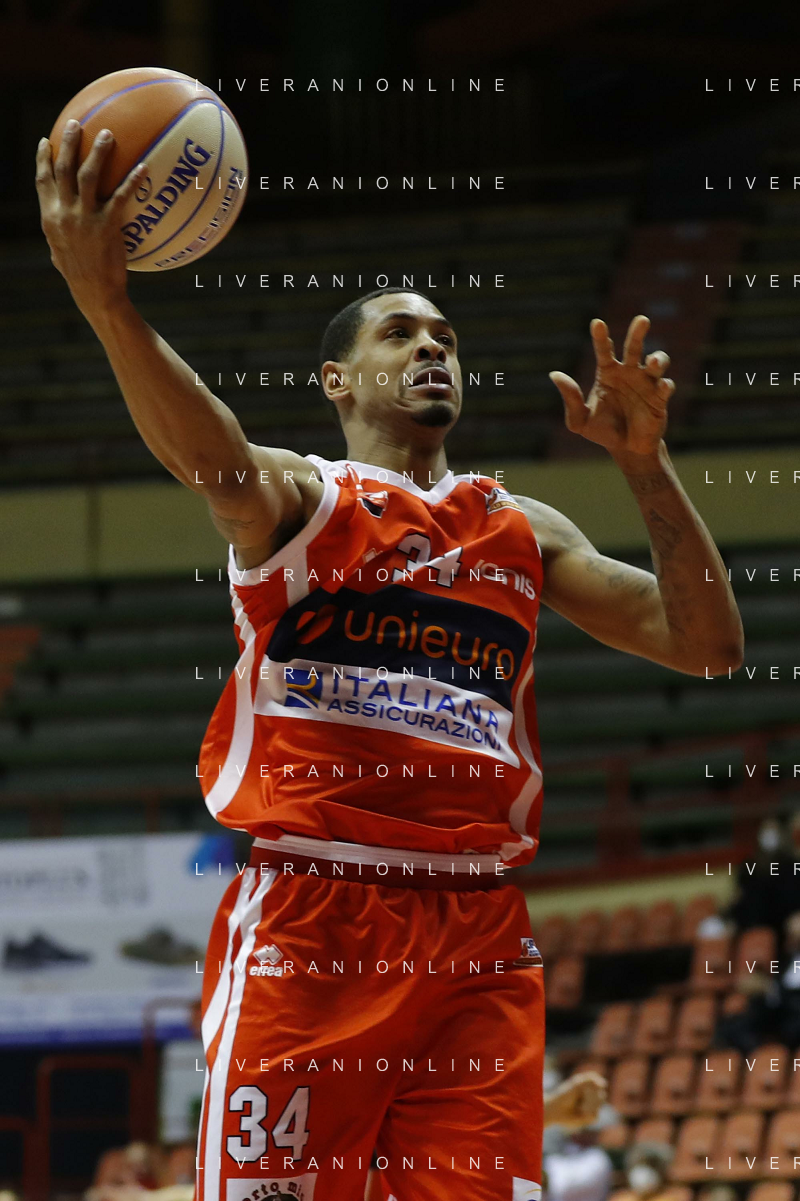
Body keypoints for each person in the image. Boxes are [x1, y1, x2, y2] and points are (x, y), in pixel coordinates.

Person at [36, 123, 744, 1201]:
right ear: (337, 378)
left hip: (478, 927)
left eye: (446, 336)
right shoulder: (307, 501)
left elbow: (708, 645)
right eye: (401, 332)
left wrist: (646, 466)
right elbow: (209, 458)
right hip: (315, 911)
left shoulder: (523, 529)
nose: (431, 348)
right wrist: (107, 304)